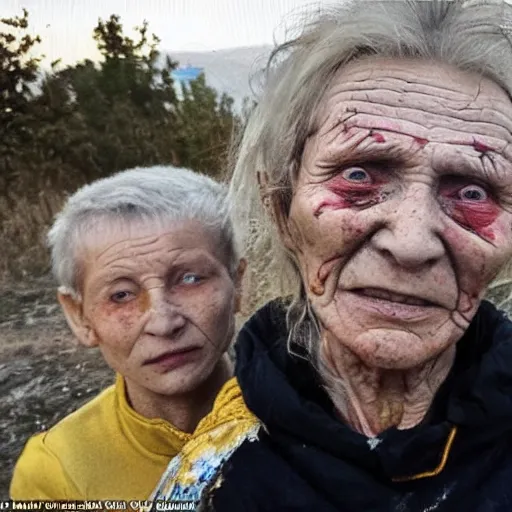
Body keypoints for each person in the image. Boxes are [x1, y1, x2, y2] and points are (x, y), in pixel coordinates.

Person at [152, 1, 512, 510]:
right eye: (360, 176)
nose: (410, 244)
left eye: (472, 193)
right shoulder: (213, 482)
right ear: (281, 208)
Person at [10, 166, 258, 500]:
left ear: (238, 284)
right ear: (79, 316)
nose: (163, 323)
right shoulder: (59, 471)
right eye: (121, 295)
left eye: (190, 279)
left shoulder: (305, 417)